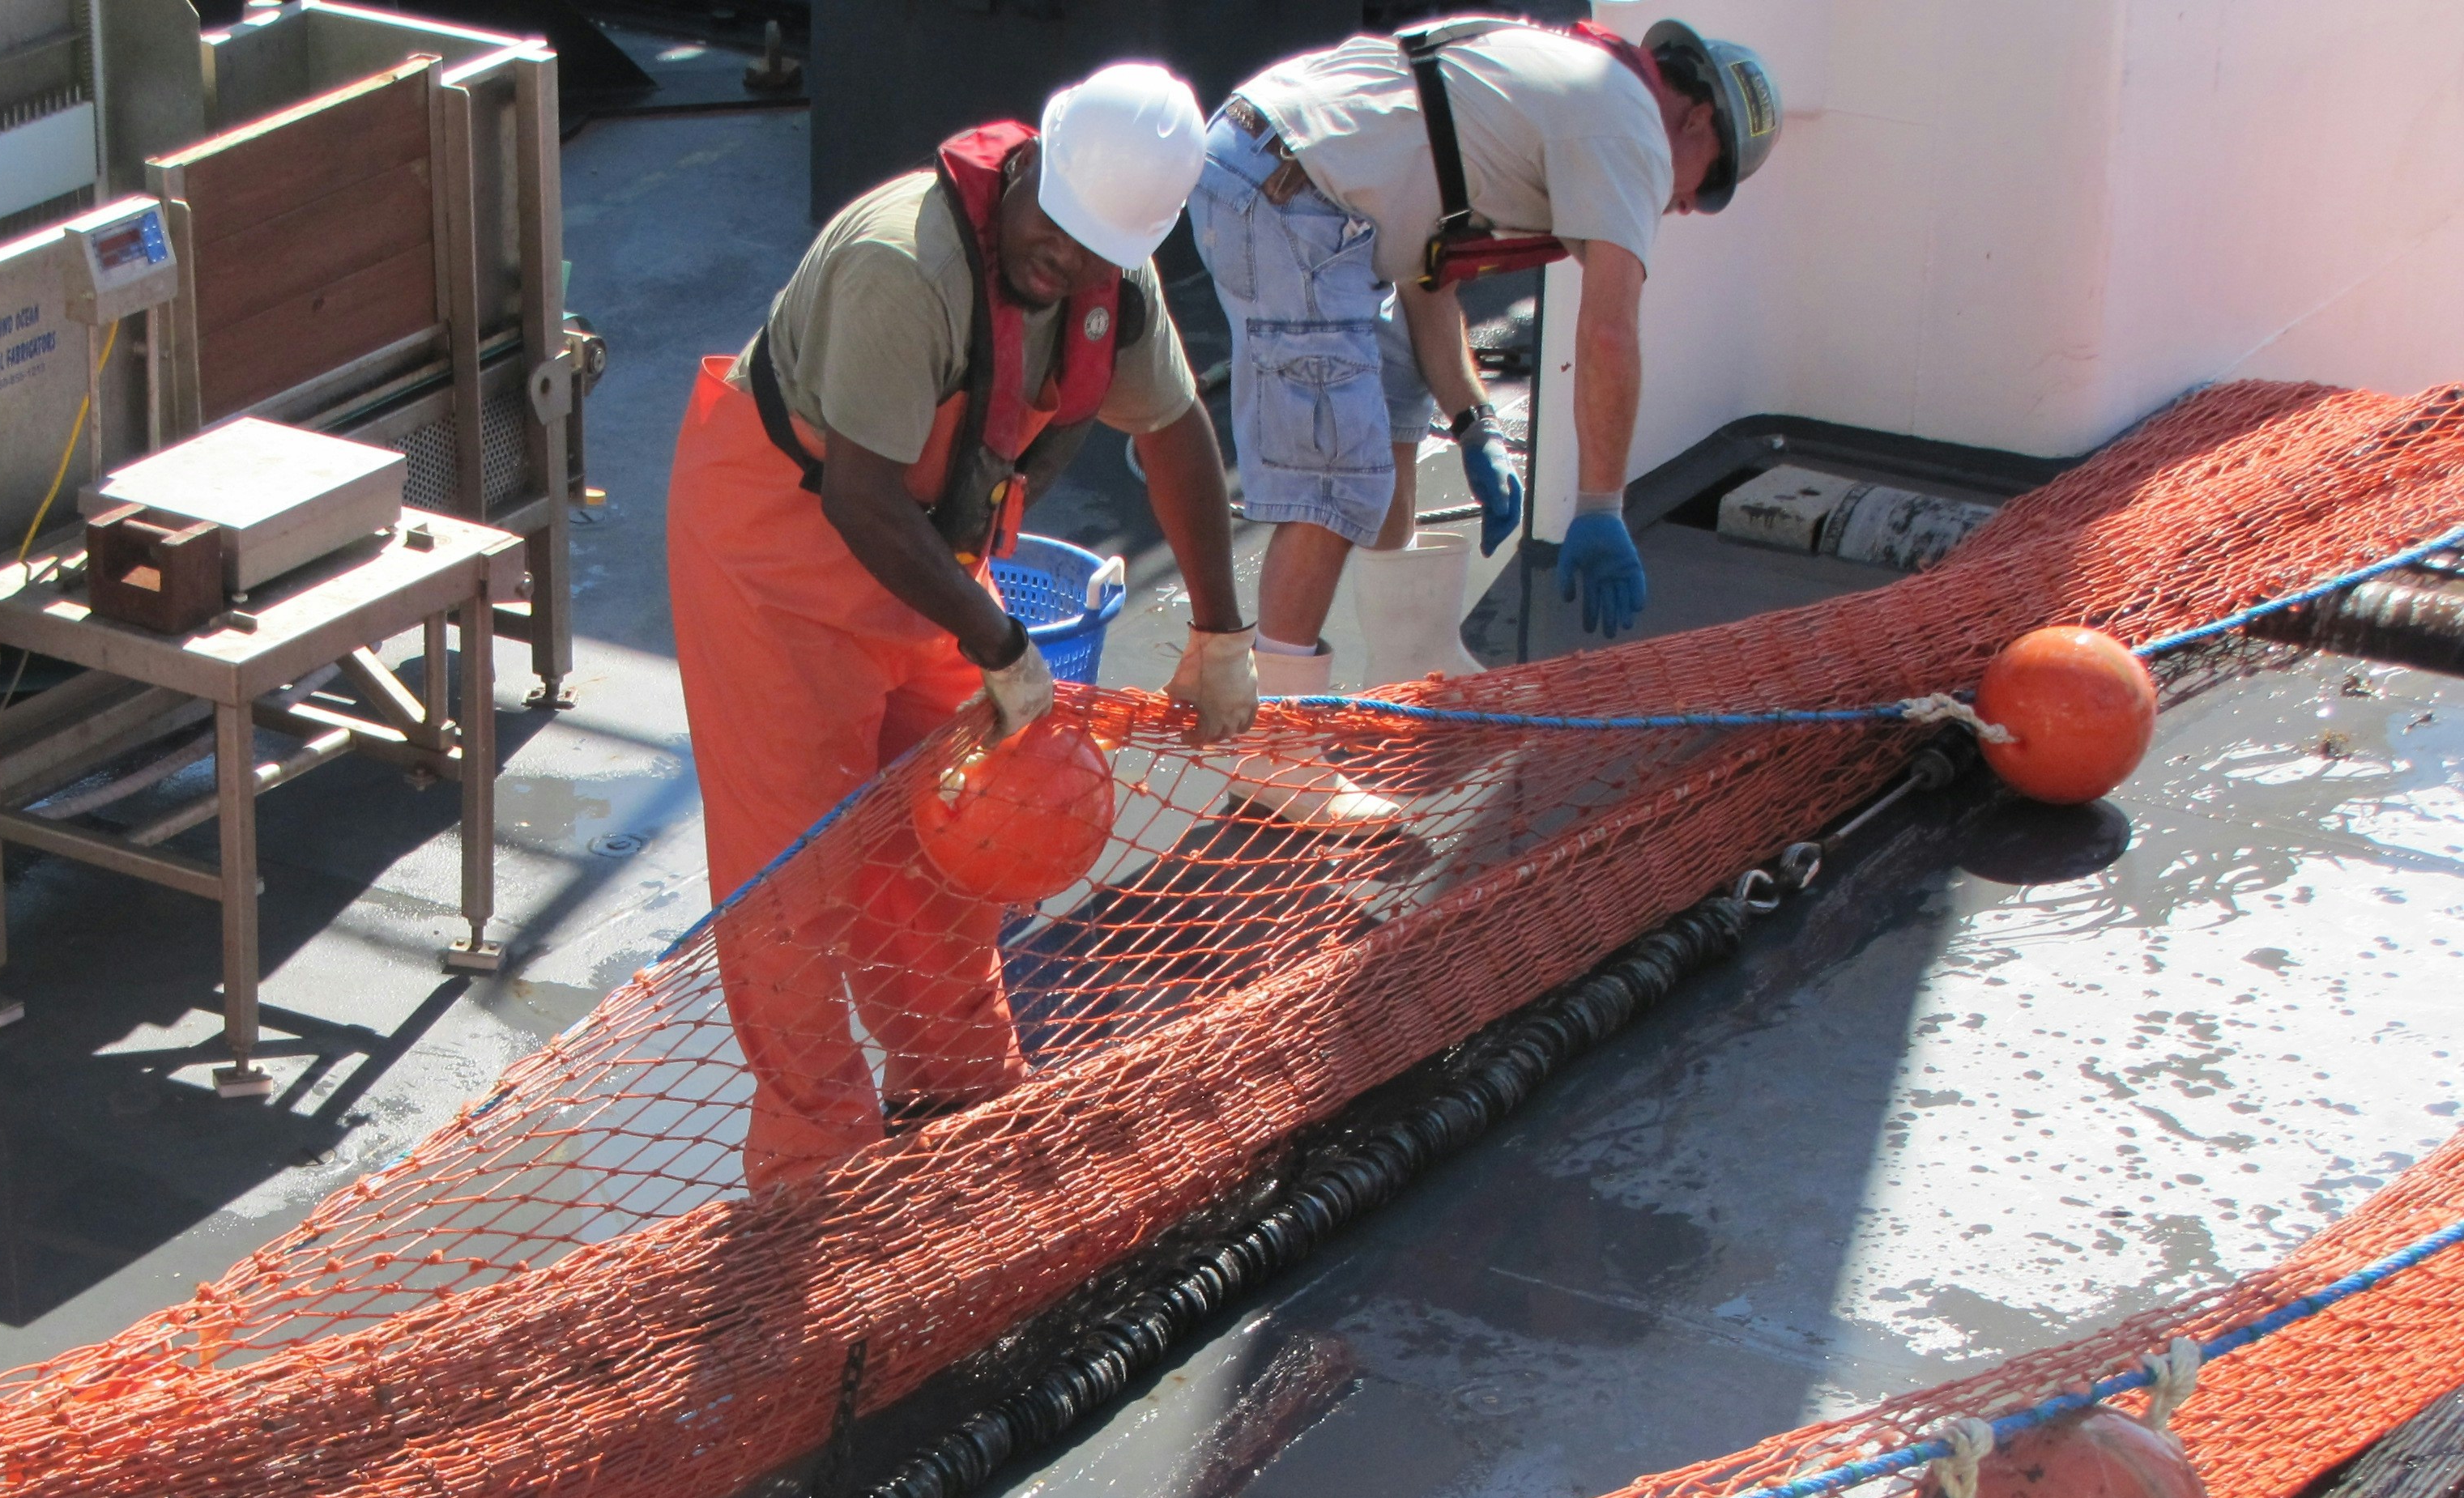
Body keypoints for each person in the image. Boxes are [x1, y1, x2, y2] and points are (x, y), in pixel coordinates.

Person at [667, 61, 1257, 1185]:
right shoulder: (903, 265)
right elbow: (860, 497)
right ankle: (813, 1167)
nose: (1067, 264)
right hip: (778, 556)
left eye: (1098, 251)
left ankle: (959, 1095)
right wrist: (1002, 648)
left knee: (955, 842)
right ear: (1030, 161)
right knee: (793, 880)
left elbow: (1174, 429)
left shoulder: (1108, 271)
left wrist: (1222, 635)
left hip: (929, 564)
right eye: (1058, 231)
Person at [1197, 15, 1781, 692]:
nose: (1688, 205)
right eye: (1710, 180)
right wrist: (1600, 507)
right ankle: (1275, 729)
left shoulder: (1573, 87)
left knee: (1395, 397)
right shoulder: (1633, 130)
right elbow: (1609, 334)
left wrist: (1475, 424)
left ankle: (1407, 660)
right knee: (1336, 476)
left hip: (1282, 163)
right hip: (1285, 187)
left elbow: (1426, 281)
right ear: (1697, 121)